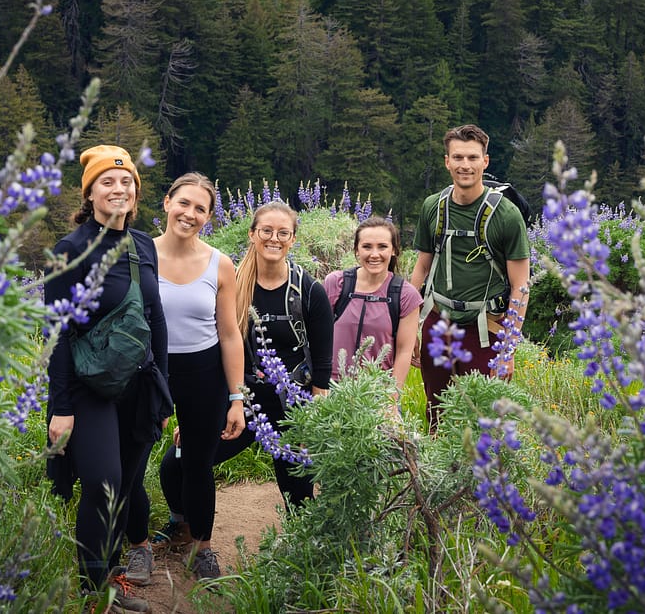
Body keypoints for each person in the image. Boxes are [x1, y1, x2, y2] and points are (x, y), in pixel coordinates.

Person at [156, 201, 332, 547]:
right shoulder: (232, 283)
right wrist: (201, 416)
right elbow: (219, 347)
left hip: (292, 407)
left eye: (283, 233)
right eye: (266, 230)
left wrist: (312, 423)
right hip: (243, 402)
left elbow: (322, 368)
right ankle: (182, 523)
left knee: (297, 484)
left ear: (293, 239)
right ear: (252, 234)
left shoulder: (309, 291)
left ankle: (304, 550)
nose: (274, 238)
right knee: (176, 463)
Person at [45, 145, 171, 614]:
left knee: (125, 483)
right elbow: (56, 332)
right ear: (90, 193)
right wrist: (60, 407)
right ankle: (94, 594)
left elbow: (156, 320)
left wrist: (164, 393)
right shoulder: (71, 249)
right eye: (107, 183)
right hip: (88, 389)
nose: (118, 189)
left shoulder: (142, 247)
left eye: (126, 183)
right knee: (102, 483)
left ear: (136, 193)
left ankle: (111, 578)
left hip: (139, 387)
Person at [124, 172, 246, 582]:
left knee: (198, 462)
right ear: (166, 203)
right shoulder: (138, 253)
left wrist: (236, 397)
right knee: (132, 463)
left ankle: (202, 546)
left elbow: (229, 333)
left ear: (209, 217)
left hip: (202, 370)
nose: (190, 214)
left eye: (200, 209)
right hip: (148, 370)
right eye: (184, 203)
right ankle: (139, 547)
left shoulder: (219, 263)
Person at [409, 124, 530, 430]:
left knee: (483, 420)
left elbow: (521, 286)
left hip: (486, 329)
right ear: (447, 161)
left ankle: (481, 478)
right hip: (439, 324)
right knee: (437, 412)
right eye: (458, 157)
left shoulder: (506, 215)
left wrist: (508, 348)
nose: (465, 165)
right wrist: (409, 327)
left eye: (473, 158)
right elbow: (421, 269)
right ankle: (439, 477)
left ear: (485, 162)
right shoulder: (432, 208)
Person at [324, 216, 422, 405]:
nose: (374, 254)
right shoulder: (336, 284)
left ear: (394, 250)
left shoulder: (405, 294)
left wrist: (391, 400)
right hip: (333, 389)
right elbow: (318, 338)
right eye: (367, 247)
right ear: (356, 251)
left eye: (382, 247)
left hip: (377, 393)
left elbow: (403, 352)